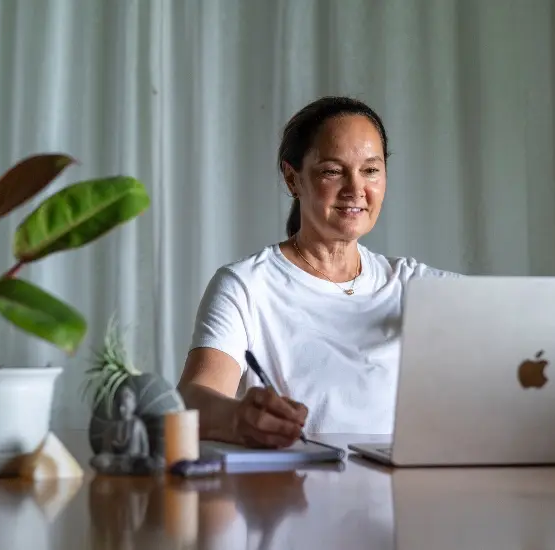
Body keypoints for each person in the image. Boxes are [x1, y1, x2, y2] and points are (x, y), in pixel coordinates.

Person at [177, 96, 459, 449]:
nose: (356, 189)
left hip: (398, 495)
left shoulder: (411, 285)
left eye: (370, 170)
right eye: (333, 170)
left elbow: (517, 317)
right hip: (292, 490)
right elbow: (192, 399)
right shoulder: (246, 286)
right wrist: (239, 417)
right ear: (293, 179)